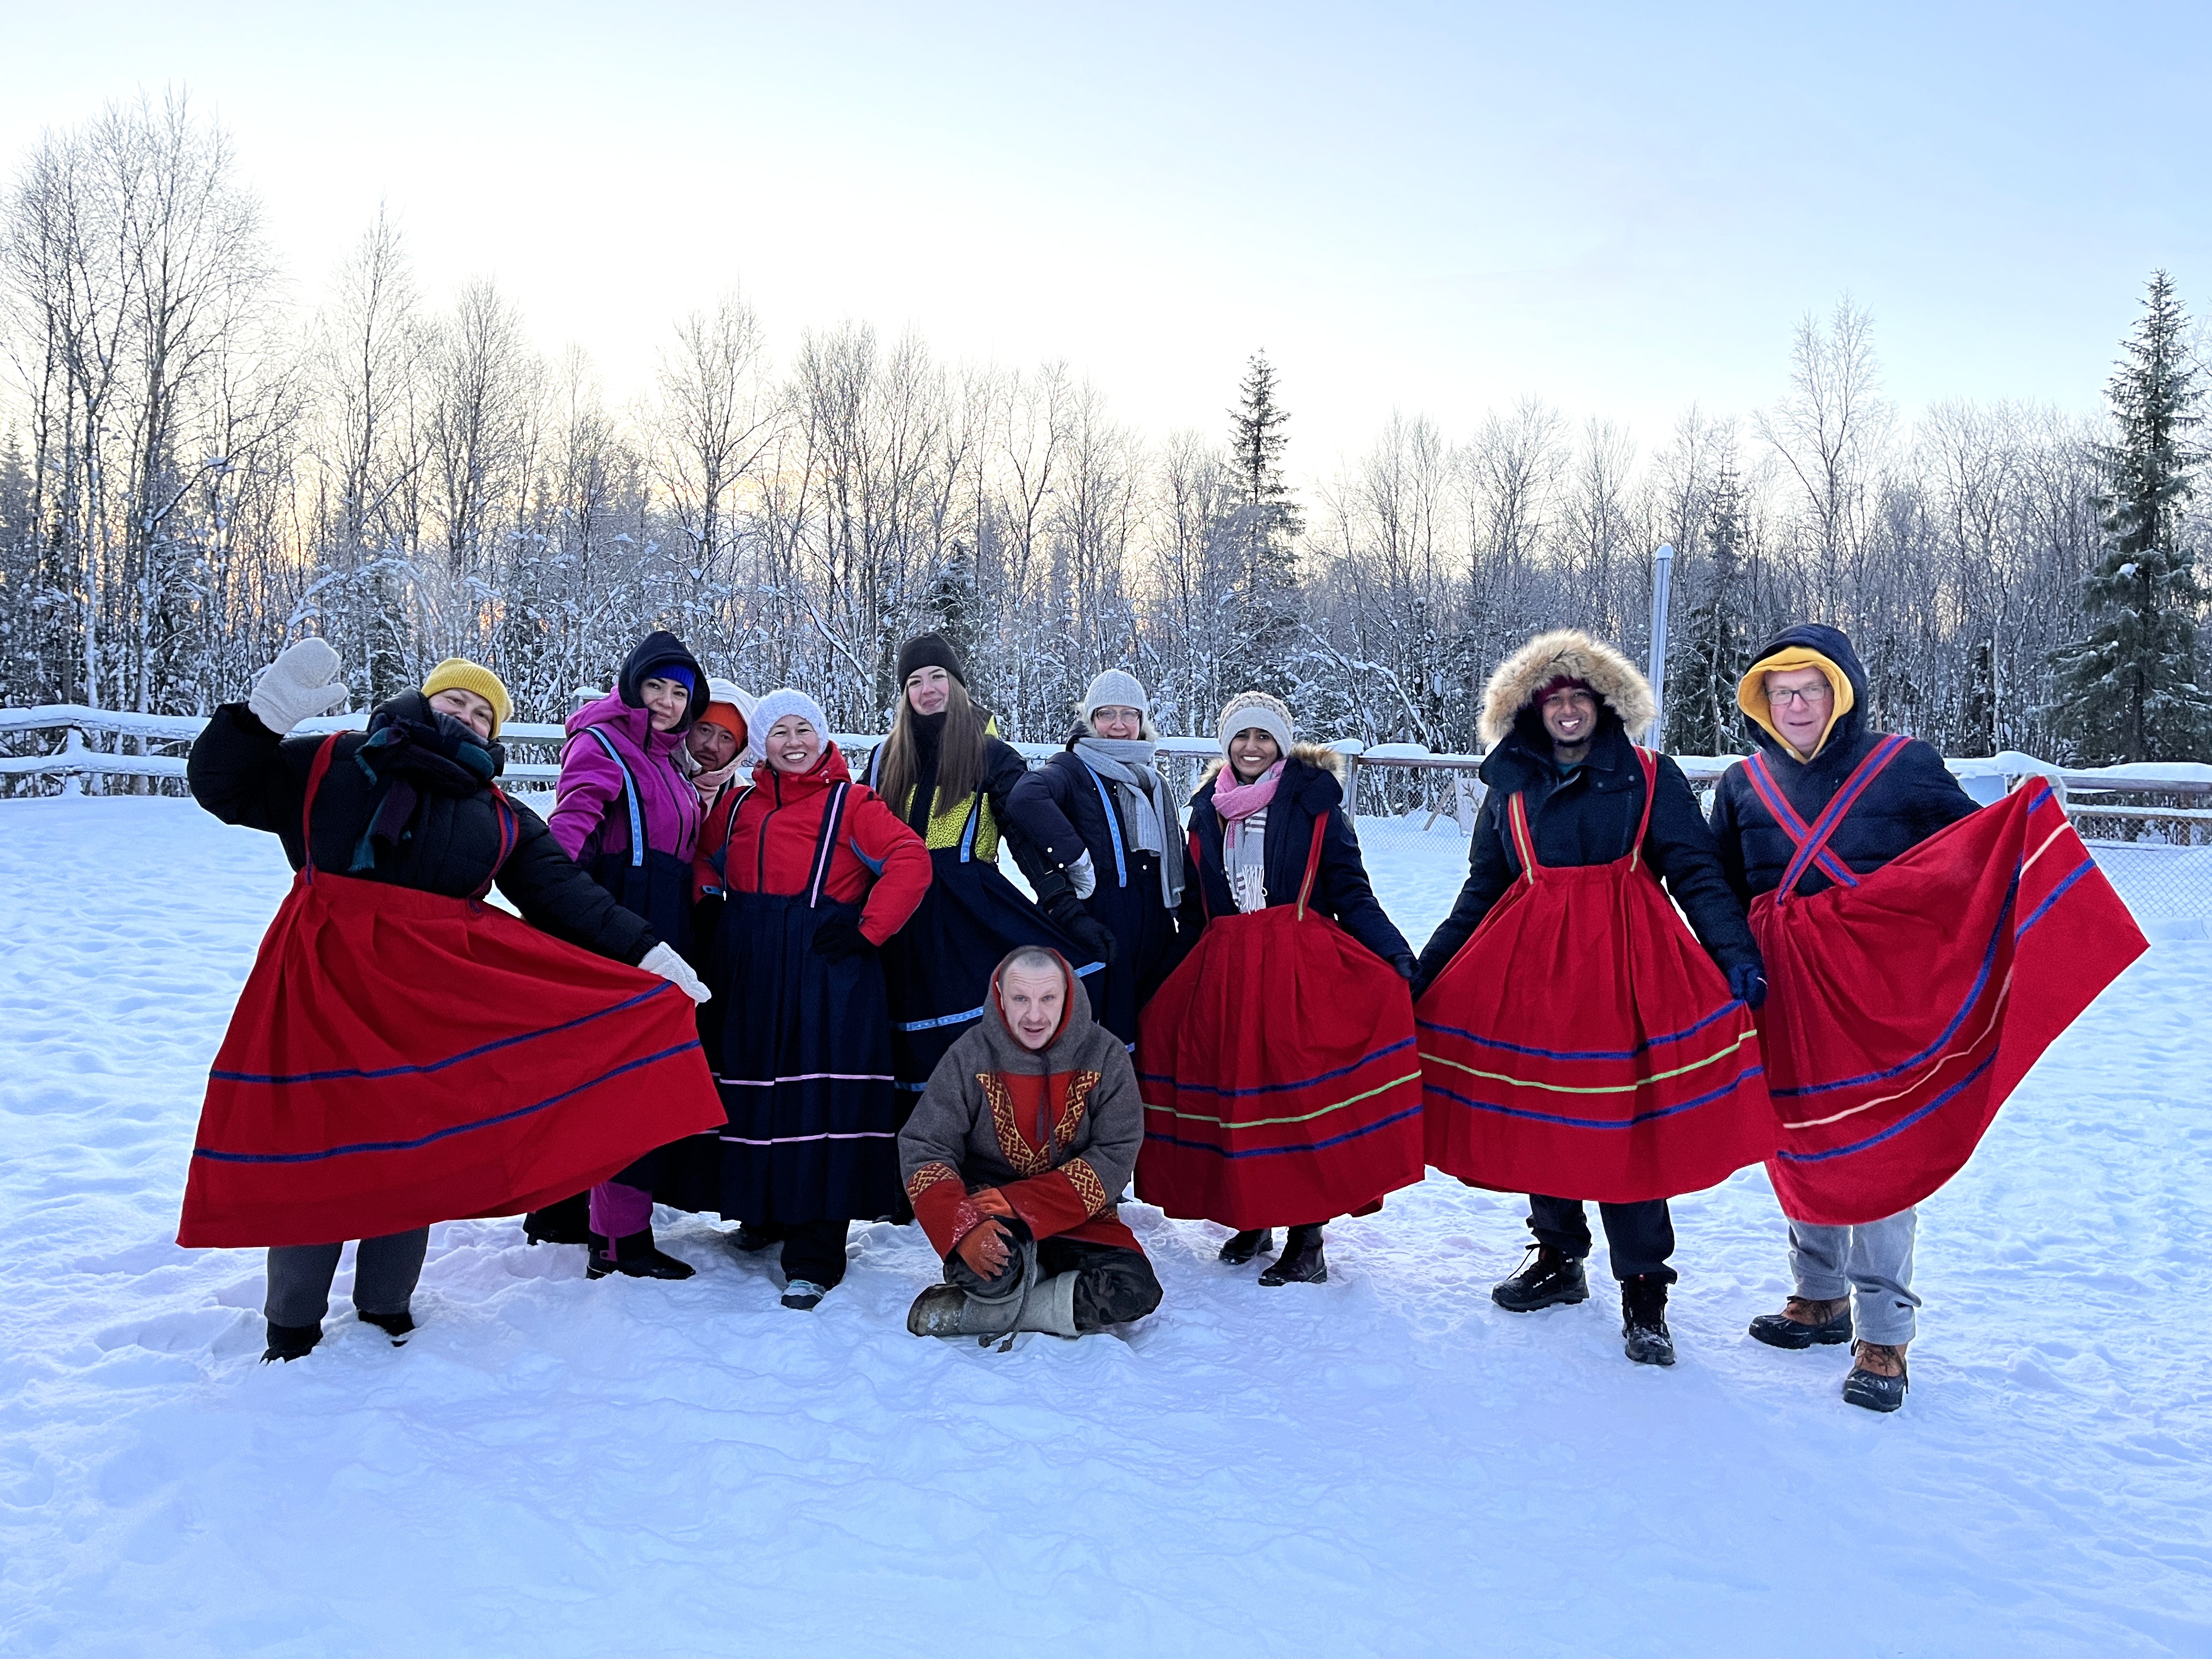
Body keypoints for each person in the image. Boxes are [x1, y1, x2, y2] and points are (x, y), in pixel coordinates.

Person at [182, 641, 720, 1362]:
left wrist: (647, 954)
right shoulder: (336, 762)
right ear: (424, 700)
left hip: (430, 1001)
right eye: (455, 703)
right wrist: (260, 718)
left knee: (411, 1149)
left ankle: (385, 1308)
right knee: (316, 1148)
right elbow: (226, 787)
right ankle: (292, 1325)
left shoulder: (499, 813)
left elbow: (564, 896)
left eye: (483, 715)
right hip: (322, 985)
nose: (467, 718)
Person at [1710, 624, 2146, 1410]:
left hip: (1876, 999)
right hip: (1783, 997)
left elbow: (1968, 853)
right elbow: (1722, 886)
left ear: (1841, 695)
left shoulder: (1901, 766)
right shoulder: (1742, 785)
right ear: (1763, 702)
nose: (1798, 704)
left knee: (1879, 1148)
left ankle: (1882, 1334)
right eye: (1783, 691)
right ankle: (1817, 1296)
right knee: (1799, 1139)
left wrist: (2027, 828)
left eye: (1812, 689)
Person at [1414, 630, 1769, 1367]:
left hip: (1629, 974)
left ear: (1603, 705)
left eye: (1581, 698)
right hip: (1534, 977)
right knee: (1544, 1119)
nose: (1568, 711)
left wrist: (1733, 953)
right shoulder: (1509, 786)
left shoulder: (1648, 775)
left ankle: (1645, 1291)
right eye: (1554, 701)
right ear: (1530, 712)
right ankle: (1558, 1257)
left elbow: (1695, 872)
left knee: (1624, 1132)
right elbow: (1484, 887)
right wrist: (1429, 971)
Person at [1137, 691, 1423, 1288]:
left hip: (1297, 966)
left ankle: (1307, 1238)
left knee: (1298, 1101)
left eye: (1263, 737)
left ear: (1281, 745)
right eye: (1241, 737)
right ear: (1226, 745)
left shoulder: (1314, 803)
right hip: (1227, 972)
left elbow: (1350, 891)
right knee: (1235, 1100)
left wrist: (1394, 953)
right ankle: (1254, 1217)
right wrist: (1164, 978)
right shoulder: (1205, 811)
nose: (1251, 748)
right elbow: (1195, 909)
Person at [668, 688, 933, 1310]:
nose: (793, 742)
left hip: (825, 972)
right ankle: (765, 1214)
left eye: (803, 730)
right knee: (760, 1097)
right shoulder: (736, 807)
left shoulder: (853, 803)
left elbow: (910, 860)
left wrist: (868, 927)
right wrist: (709, 898)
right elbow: (706, 856)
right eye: (779, 732)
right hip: (751, 970)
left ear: (821, 736)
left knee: (819, 1110)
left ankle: (815, 1253)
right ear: (762, 745)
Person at [525, 631, 709, 1264]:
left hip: (661, 925)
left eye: (678, 692)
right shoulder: (604, 743)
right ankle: (619, 1238)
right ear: (630, 685)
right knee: (632, 1080)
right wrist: (559, 911)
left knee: (601, 1074)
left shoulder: (665, 760)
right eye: (654, 685)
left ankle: (559, 1209)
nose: (664, 701)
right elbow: (570, 831)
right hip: (620, 928)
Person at [866, 632, 1103, 1097]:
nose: (928, 689)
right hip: (898, 918)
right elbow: (851, 835)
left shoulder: (990, 754)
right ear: (904, 694)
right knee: (905, 1052)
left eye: (938, 676)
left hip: (969, 916)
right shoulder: (882, 761)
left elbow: (1023, 835)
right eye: (915, 681)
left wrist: (1064, 906)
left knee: (973, 1052)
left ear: (957, 683)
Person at [901, 946, 1163, 1341]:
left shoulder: (1105, 1055)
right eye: (1021, 998)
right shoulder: (968, 1056)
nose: (1035, 1016)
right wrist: (963, 1228)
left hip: (1081, 1218)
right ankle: (1026, 1287)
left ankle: (979, 1315)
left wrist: (1024, 1202)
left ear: (1068, 995)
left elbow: (1116, 1153)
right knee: (985, 1273)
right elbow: (924, 1146)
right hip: (990, 1217)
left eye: (1048, 998)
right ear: (1001, 997)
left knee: (1135, 1291)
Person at [1005, 668, 1187, 1047]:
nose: (1118, 726)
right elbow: (1025, 798)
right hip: (1102, 924)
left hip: (1153, 924)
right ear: (1091, 720)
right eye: (1107, 714)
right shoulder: (1072, 768)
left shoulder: (1150, 779)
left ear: (1142, 720)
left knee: (1149, 1034)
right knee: (1103, 1041)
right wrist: (1076, 859)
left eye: (1129, 715)